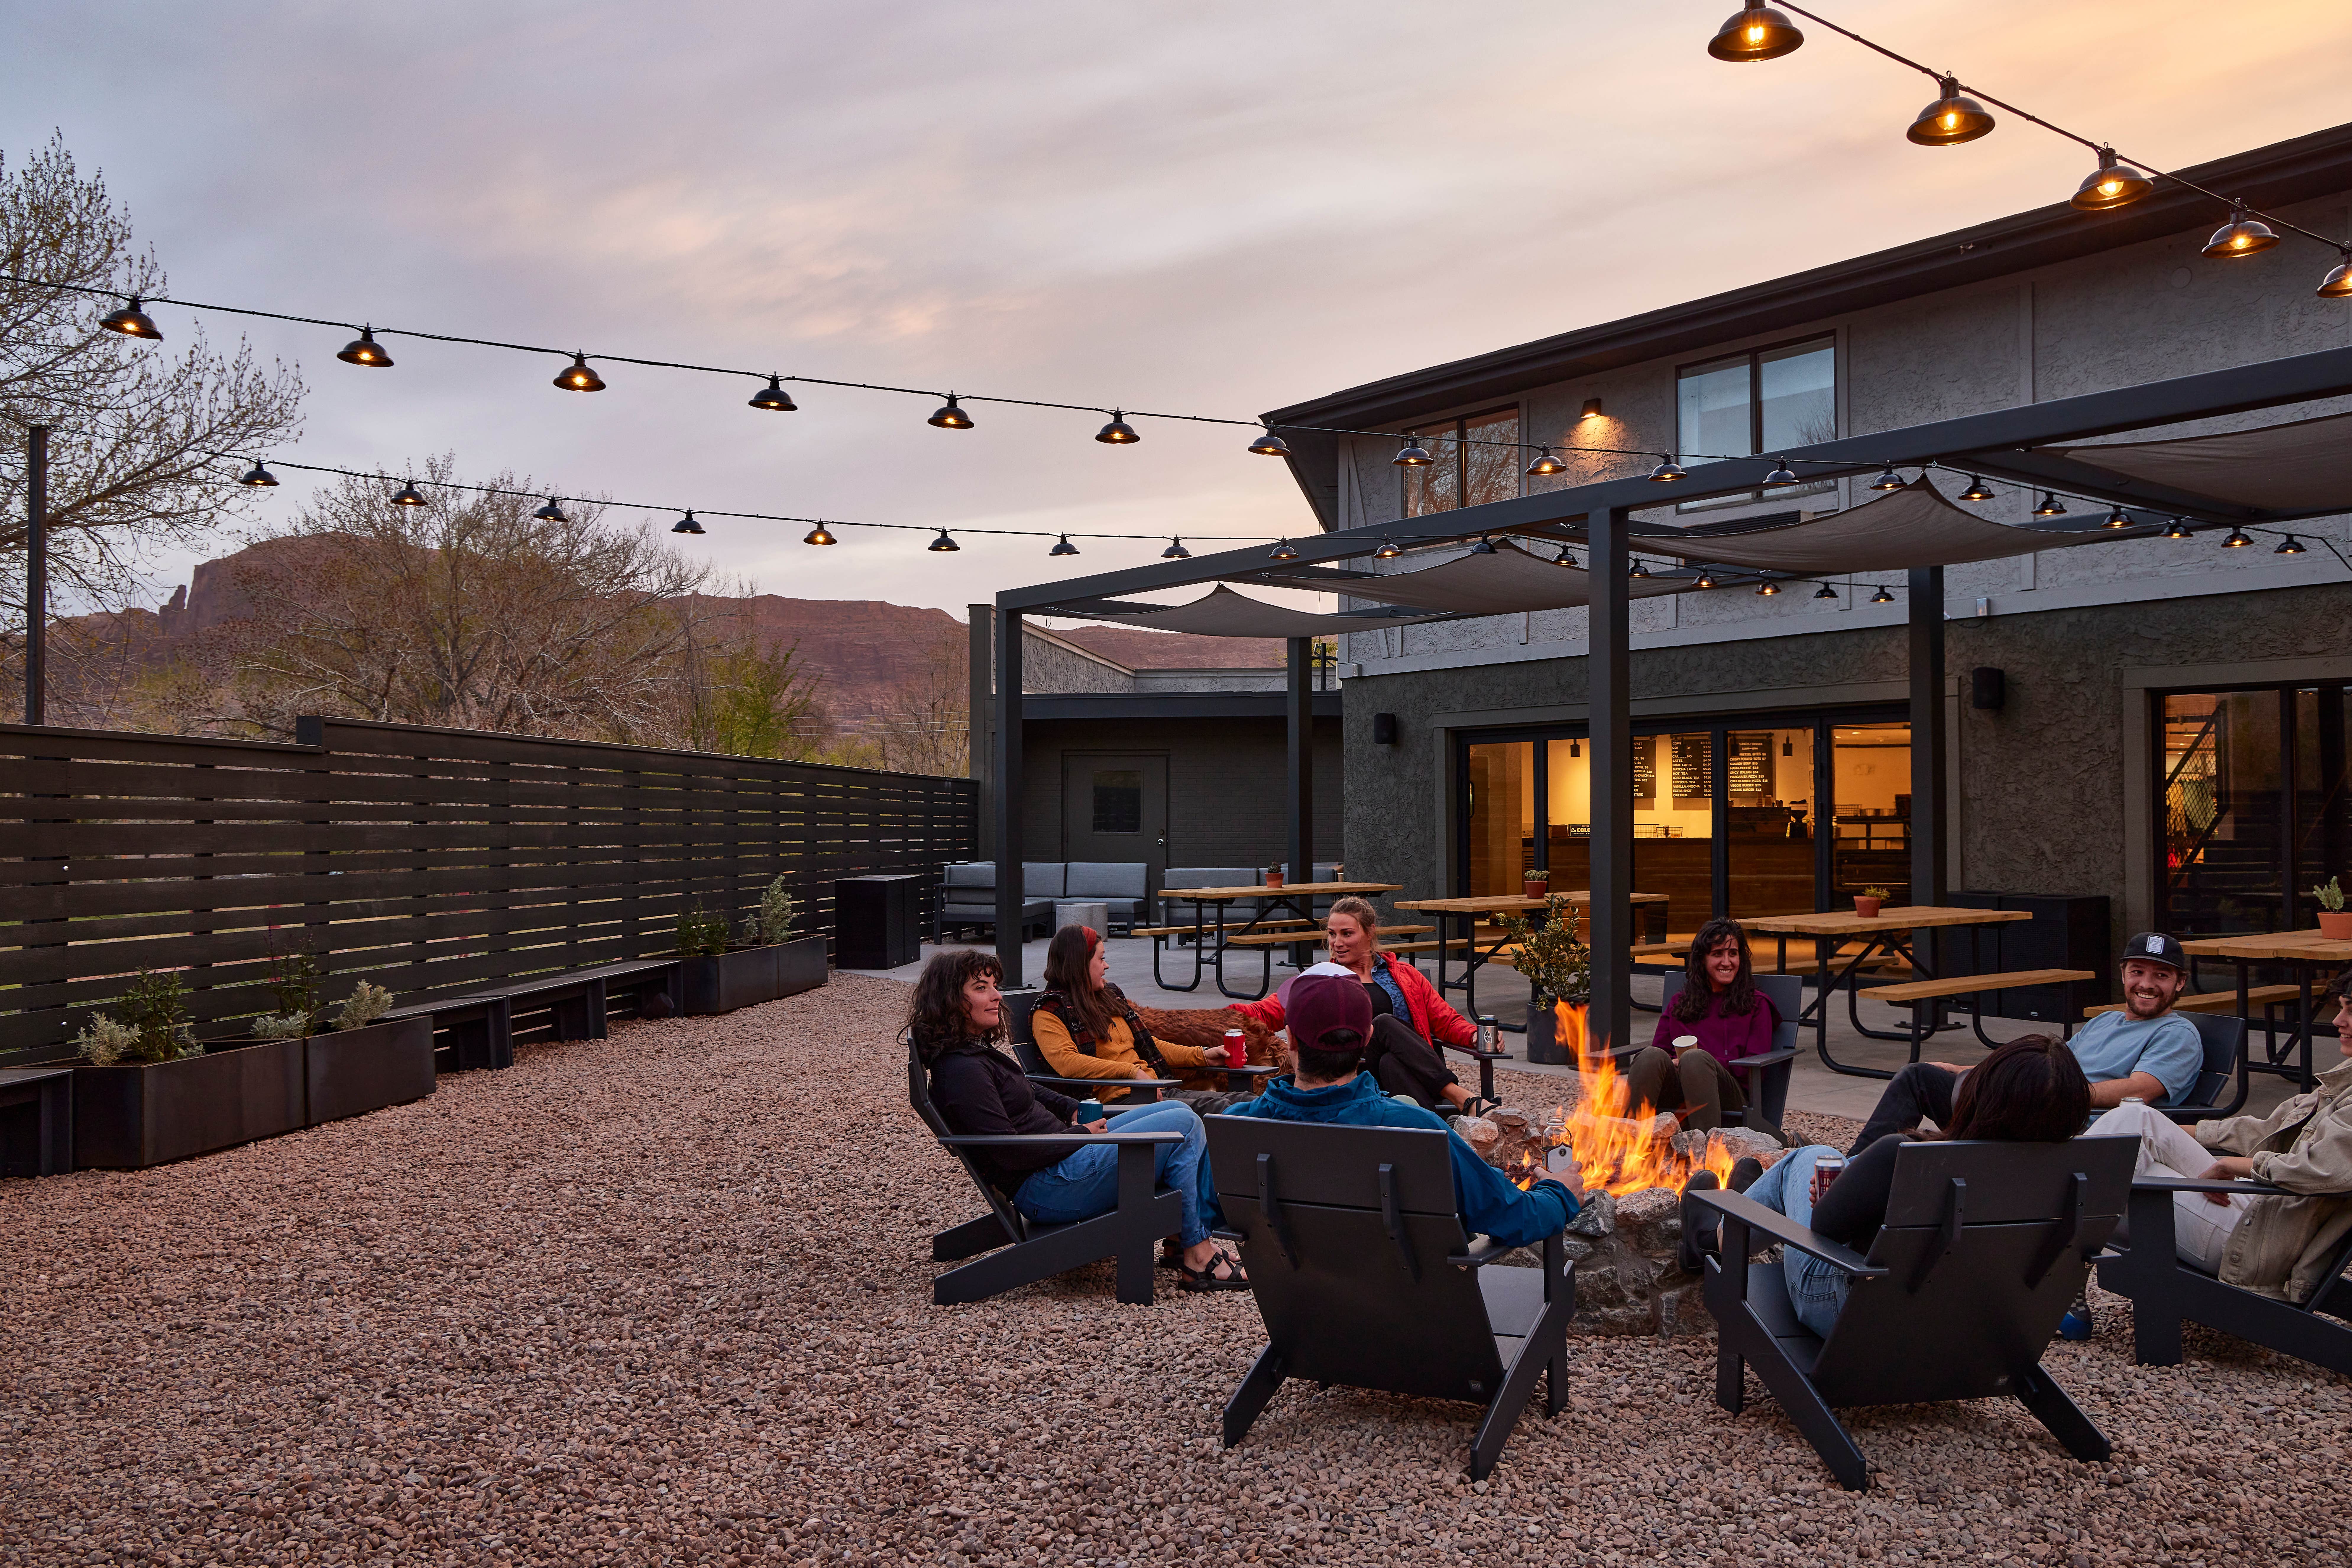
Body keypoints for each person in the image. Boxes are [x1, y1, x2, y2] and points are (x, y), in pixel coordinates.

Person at [1688, 1035, 2092, 1336]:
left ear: (1983, 1097)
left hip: (1851, 1309)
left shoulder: (1907, 1155)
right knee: (1839, 1167)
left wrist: (1837, 1195)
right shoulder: (2074, 1173)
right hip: (1976, 1319)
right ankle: (1742, 1207)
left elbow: (1823, 1228)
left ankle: (1715, 1237)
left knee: (1809, 1156)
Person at [910, 947, 1246, 1291]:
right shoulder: (964, 1071)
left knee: (1178, 1112)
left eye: (994, 985)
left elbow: (1027, 1089)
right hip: (1052, 1185)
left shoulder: (971, 1052)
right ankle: (1198, 1256)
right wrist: (1081, 1133)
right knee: (1186, 1125)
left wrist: (1071, 1107)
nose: (997, 995)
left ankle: (1184, 1241)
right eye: (981, 988)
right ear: (951, 1000)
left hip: (1062, 1159)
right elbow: (1009, 1151)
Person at [1221, 973, 1580, 1247]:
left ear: (1292, 1040)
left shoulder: (1238, 1128)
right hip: (1415, 1324)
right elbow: (1513, 1217)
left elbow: (1208, 1209)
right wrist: (1560, 1192)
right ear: (1365, 1040)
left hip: (1300, 1319)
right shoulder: (1416, 1130)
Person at [2083, 961, 2352, 1301]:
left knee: (2116, 1174)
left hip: (2259, 1241)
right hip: (2260, 1205)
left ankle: (2059, 1255)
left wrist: (2232, 1165)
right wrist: (2171, 1130)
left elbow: (2321, 1169)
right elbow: (2268, 1130)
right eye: (2341, 1008)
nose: (2337, 1021)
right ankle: (2060, 1236)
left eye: (2350, 1011)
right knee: (2132, 1119)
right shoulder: (2345, 1076)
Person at [1843, 931, 2204, 1157]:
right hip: (2033, 1104)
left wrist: (2057, 1093)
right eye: (2138, 972)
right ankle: (1853, 1167)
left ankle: (1917, 1162)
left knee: (1928, 1140)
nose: (2147, 983)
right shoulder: (2105, 1020)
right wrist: (1969, 1071)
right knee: (1919, 1077)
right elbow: (2044, 1064)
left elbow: (2139, 1091)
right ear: (2124, 974)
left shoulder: (2176, 1033)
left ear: (2180, 983)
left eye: (2161, 975)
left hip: (2068, 1125)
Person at [1230, 896, 1499, 1116]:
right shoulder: (1320, 981)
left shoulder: (1404, 975)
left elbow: (1446, 1019)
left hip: (1409, 1074)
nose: (1337, 943)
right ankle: (1460, 1098)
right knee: (1381, 1023)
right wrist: (1216, 1018)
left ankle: (1428, 1126)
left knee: (1391, 1060)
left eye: (1347, 933)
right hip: (1351, 1073)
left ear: (1369, 933)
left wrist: (1475, 1035)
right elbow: (1268, 1011)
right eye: (1332, 934)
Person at [1030, 924, 1251, 1113]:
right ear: (1079, 963)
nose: (1106, 966)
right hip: (1118, 1103)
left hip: (1153, 1090)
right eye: (1101, 959)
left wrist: (1202, 1056)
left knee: (1245, 1101)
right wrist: (1132, 1073)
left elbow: (1148, 1043)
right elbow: (1067, 1063)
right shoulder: (1050, 1011)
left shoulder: (1108, 996)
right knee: (1224, 1108)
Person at [1621, 917, 1783, 1139]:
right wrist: (1677, 1063)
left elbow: (1751, 1070)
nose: (1727, 962)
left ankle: (1704, 1155)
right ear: (1702, 960)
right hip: (1677, 1094)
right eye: (1718, 954)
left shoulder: (1756, 1004)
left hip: (1731, 1097)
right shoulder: (1681, 1002)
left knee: (1694, 1059)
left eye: (1733, 954)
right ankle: (1625, 1144)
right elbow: (1661, 1050)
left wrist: (1698, 1062)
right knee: (1650, 1055)